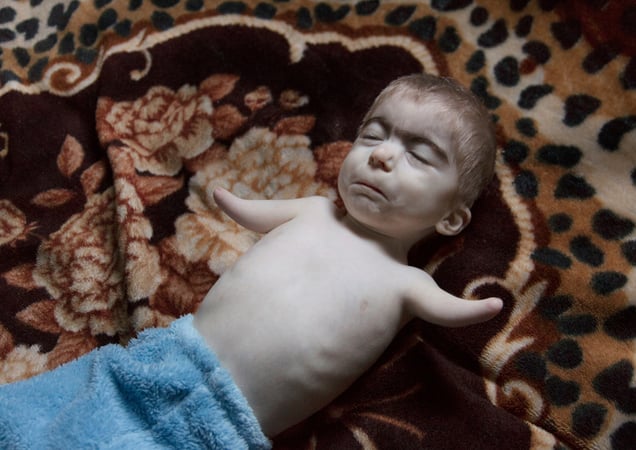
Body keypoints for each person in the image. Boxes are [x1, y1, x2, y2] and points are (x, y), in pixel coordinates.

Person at [0, 74, 502, 449]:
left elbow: (452, 308)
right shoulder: (314, 211)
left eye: (419, 155)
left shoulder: (405, 283)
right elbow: (249, 211)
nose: (382, 156)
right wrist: (227, 199)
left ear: (451, 219)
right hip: (166, 362)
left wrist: (479, 309)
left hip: (222, 425)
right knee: (56, 408)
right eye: (373, 136)